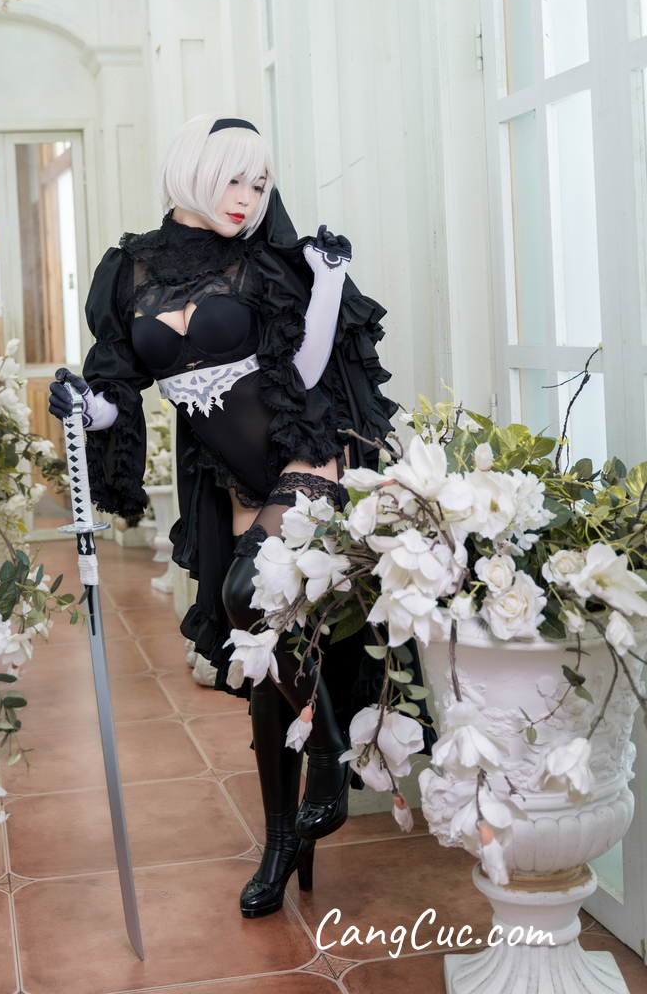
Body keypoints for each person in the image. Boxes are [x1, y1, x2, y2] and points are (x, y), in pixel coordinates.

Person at [48, 113, 397, 918]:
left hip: (305, 456)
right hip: (235, 484)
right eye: (235, 177)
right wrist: (82, 406)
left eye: (260, 182)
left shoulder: (263, 262)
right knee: (264, 661)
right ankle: (281, 842)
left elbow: (305, 368)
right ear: (193, 170)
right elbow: (117, 392)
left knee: (248, 595)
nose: (248, 197)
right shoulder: (128, 271)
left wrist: (329, 281)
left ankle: (331, 759)